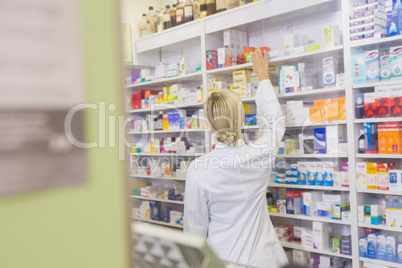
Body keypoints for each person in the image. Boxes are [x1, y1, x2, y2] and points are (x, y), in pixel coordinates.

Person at [183, 49, 287, 268]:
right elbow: (274, 122)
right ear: (242, 118)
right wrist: (263, 77)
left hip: (222, 261)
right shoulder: (259, 154)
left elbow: (195, 232)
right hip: (263, 261)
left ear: (209, 124)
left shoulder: (199, 169)